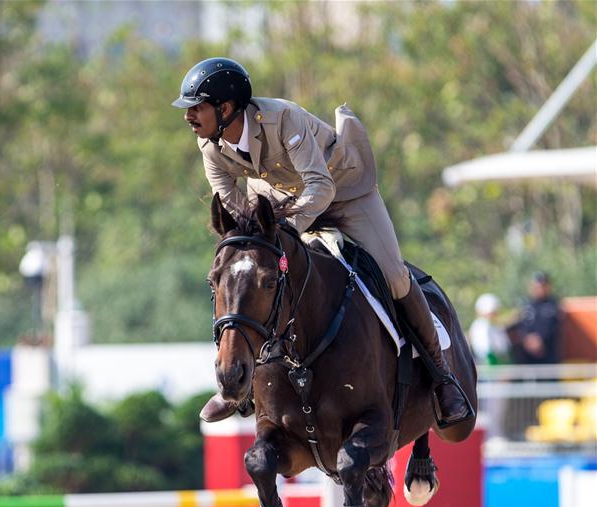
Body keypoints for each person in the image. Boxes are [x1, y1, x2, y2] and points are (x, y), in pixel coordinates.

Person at [171, 57, 472, 427]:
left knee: (393, 275)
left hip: (343, 191)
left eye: (197, 107)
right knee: (250, 278)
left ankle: (442, 377)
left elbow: (320, 185)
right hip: (279, 203)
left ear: (226, 107)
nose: (189, 116)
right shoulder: (210, 146)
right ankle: (238, 385)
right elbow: (234, 209)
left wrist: (287, 228)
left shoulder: (282, 118)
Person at [509, 272, 562, 364]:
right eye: (537, 286)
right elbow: (520, 325)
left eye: (542, 286)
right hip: (526, 356)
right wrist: (527, 339)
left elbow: (552, 325)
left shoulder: (553, 304)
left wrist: (539, 340)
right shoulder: (526, 304)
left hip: (547, 355)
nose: (539, 289)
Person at [468, 293, 510, 366]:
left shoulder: (494, 325)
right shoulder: (480, 325)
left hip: (498, 362)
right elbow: (484, 351)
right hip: (489, 364)